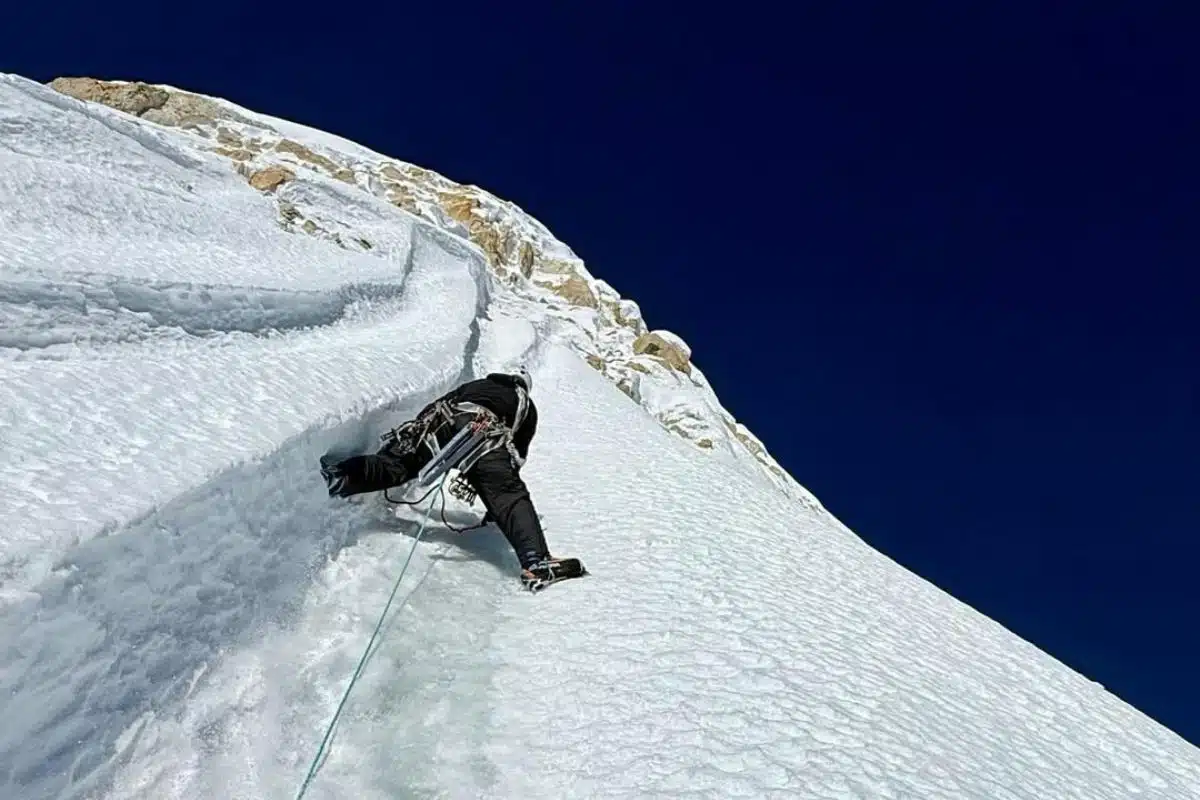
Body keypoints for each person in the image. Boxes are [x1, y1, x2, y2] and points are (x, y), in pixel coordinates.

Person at [320, 367, 555, 584]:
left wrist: (409, 442)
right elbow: (515, 459)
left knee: (395, 466)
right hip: (485, 435)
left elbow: (437, 405)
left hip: (440, 422)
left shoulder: (477, 384)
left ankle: (338, 477)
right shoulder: (525, 405)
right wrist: (496, 506)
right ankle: (537, 562)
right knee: (508, 494)